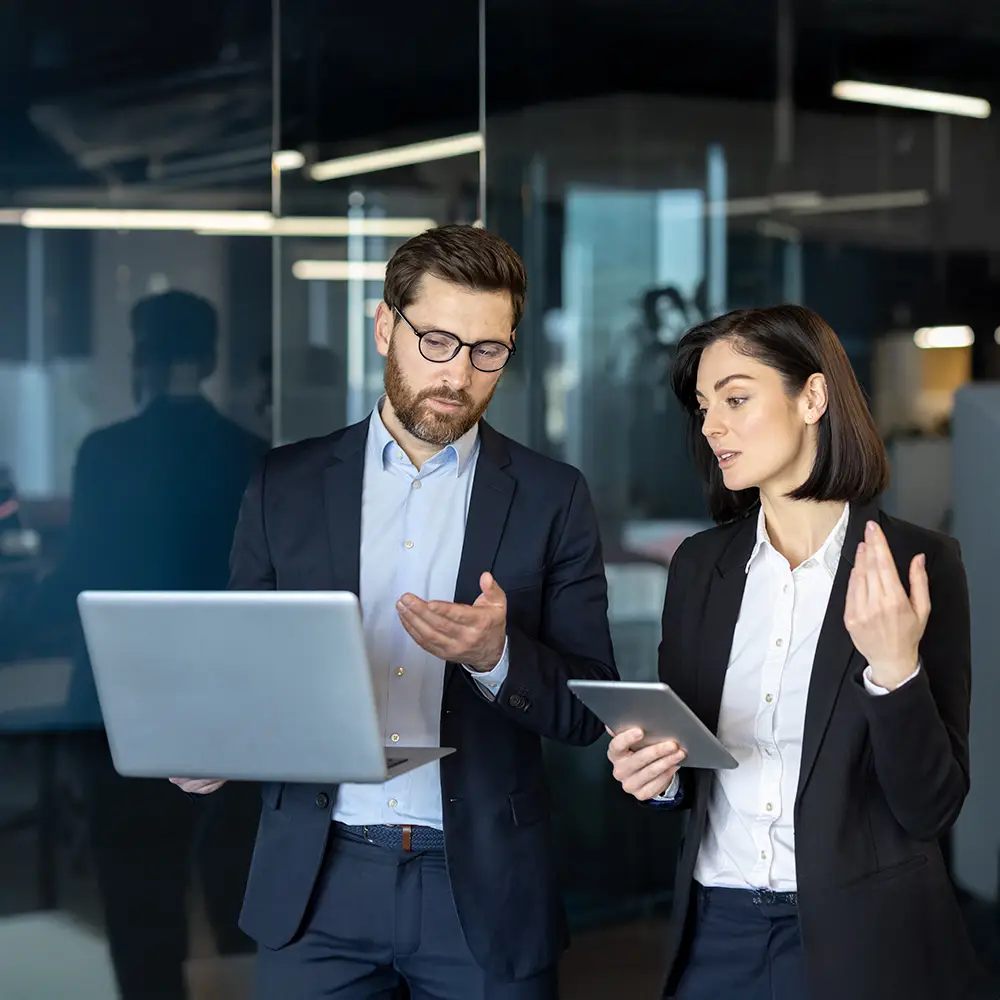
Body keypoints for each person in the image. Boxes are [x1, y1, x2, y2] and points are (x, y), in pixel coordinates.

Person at [173, 225, 618, 1000]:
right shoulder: (286, 483)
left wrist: (496, 657)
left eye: (488, 351)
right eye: (438, 342)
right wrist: (215, 747)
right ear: (385, 326)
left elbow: (587, 705)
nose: (459, 375)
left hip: (482, 882)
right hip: (317, 880)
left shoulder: (553, 496)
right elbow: (245, 669)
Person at [606, 305, 984, 1000]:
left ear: (812, 396)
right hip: (716, 934)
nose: (712, 425)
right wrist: (655, 776)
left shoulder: (918, 564)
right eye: (703, 406)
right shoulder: (698, 567)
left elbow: (931, 809)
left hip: (866, 939)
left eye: (736, 398)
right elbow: (685, 765)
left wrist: (894, 669)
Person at [7, 290, 268, 1000]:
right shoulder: (252, 456)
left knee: (139, 903)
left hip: (122, 707)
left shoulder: (107, 454)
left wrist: (16, 615)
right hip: (225, 709)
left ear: (140, 358)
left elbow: (83, 578)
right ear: (210, 358)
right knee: (238, 901)